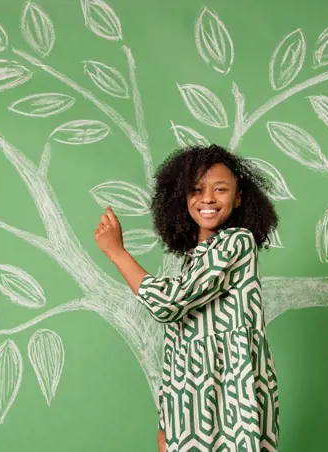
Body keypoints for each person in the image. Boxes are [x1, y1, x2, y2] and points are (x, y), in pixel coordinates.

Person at [94, 144, 280, 451]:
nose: (207, 198)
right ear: (182, 198)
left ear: (239, 197)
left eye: (220, 189)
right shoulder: (194, 261)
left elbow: (168, 304)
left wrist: (117, 252)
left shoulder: (237, 242)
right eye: (196, 189)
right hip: (189, 412)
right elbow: (179, 354)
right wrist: (167, 424)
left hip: (234, 403)